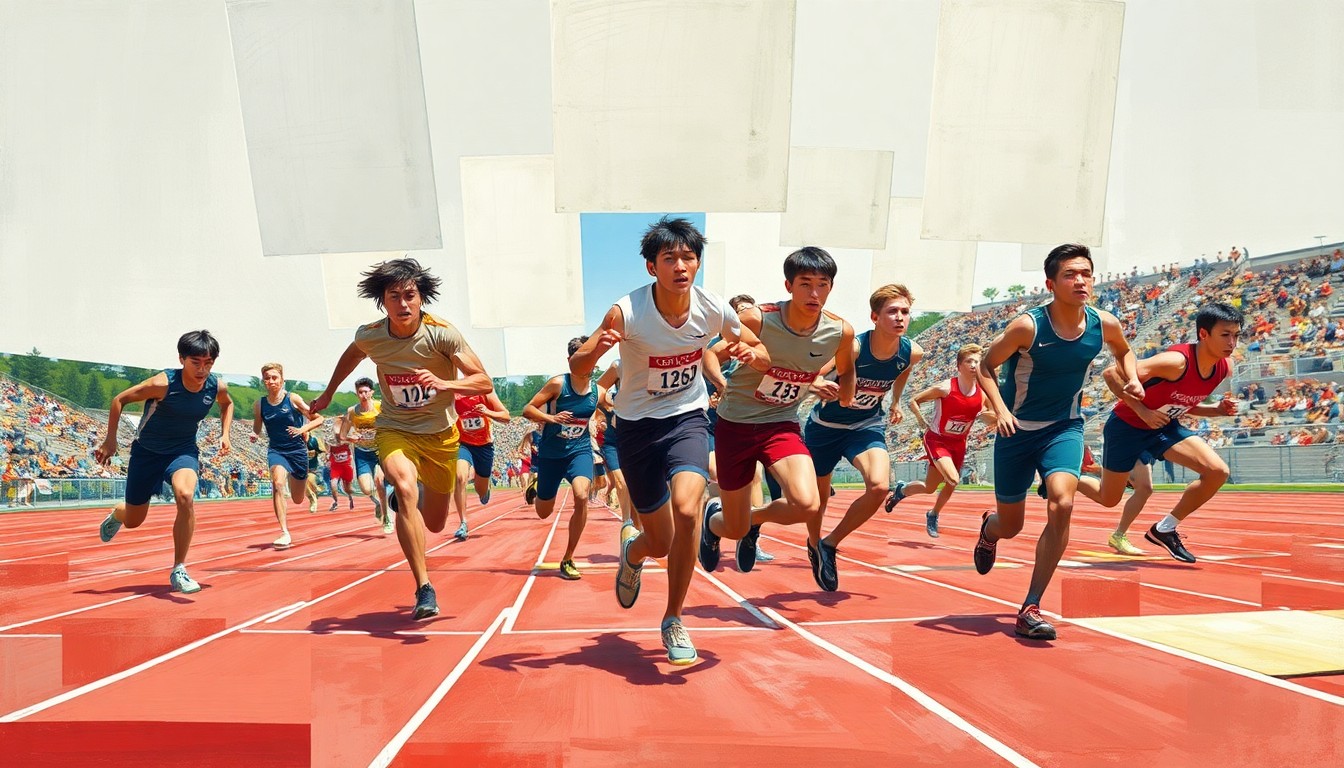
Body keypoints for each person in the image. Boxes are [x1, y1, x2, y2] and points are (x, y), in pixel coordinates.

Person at [568, 216, 768, 665]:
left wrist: (749, 352)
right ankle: (634, 551)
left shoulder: (714, 308)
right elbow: (581, 368)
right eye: (669, 258)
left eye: (689, 257)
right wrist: (599, 347)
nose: (680, 265)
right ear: (651, 267)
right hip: (636, 426)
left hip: (687, 418)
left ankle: (674, 618)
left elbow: (760, 349)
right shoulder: (627, 311)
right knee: (658, 541)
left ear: (698, 264)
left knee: (687, 508)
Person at [974, 244, 1142, 641]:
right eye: (1070, 274)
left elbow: (1125, 351)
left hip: (1064, 427)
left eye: (1086, 273)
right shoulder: (1027, 327)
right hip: (1016, 433)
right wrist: (999, 409)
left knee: (1062, 501)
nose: (1080, 280)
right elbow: (984, 364)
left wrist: (1130, 375)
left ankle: (1031, 605)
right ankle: (989, 530)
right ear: (1051, 283)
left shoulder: (1105, 324)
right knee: (1011, 525)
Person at [310, 257, 492, 620]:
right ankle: (424, 587)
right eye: (394, 296)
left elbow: (483, 381)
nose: (403, 304)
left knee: (437, 522)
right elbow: (352, 355)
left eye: (410, 295)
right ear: (383, 301)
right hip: (395, 428)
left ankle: (415, 496)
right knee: (405, 490)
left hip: (440, 435)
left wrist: (446, 383)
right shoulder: (371, 335)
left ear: (421, 297)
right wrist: (329, 393)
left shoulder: (443, 333)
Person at [704, 247, 855, 588]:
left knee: (806, 503)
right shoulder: (759, 318)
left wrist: (843, 392)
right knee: (733, 527)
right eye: (805, 284)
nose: (814, 293)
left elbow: (846, 370)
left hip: (781, 424)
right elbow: (710, 354)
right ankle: (713, 521)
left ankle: (754, 521)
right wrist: (722, 382)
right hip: (735, 426)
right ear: (789, 286)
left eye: (822, 284)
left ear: (830, 287)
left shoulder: (840, 331)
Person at [1073, 302, 1242, 562]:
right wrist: (1142, 411)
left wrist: (1216, 409)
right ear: (1203, 334)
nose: (1232, 342)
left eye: (1236, 335)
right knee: (1108, 498)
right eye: (1225, 335)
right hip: (1126, 427)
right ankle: (1067, 480)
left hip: (1163, 426)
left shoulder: (1223, 367)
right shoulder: (1175, 362)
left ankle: (1165, 528)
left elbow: (1183, 402)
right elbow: (1110, 374)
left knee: (1218, 471)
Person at [94, 330, 234, 594]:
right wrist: (109, 441)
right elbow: (119, 400)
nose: (202, 369)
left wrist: (225, 434)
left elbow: (227, 404)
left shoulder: (216, 386)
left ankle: (179, 568)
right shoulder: (163, 383)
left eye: (209, 363)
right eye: (196, 362)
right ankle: (119, 512)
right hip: (146, 453)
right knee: (135, 520)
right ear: (181, 358)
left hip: (182, 452)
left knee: (185, 496)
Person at [806, 284, 923, 590]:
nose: (900, 317)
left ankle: (829, 545)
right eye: (892, 311)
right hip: (826, 429)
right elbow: (815, 373)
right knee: (815, 504)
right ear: (875, 316)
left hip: (865, 426)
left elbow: (904, 371)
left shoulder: (912, 351)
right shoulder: (855, 348)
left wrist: (896, 401)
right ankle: (811, 542)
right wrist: (818, 385)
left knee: (879, 486)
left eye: (905, 311)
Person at [886, 343, 995, 538]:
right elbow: (914, 400)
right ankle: (932, 513)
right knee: (953, 479)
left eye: (977, 362)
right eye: (969, 361)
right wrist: (921, 420)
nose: (973, 366)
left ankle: (904, 493)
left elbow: (991, 416)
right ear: (959, 365)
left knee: (929, 488)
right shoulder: (945, 388)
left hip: (959, 444)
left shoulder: (982, 394)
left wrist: (990, 417)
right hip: (937, 440)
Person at [522, 337, 606, 580]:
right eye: (581, 357)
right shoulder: (558, 384)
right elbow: (529, 409)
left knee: (582, 495)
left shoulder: (597, 391)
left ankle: (568, 557)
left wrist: (602, 418)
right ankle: (538, 487)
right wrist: (552, 419)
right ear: (571, 360)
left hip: (578, 451)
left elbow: (606, 406)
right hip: (551, 455)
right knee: (543, 512)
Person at [252, 363, 324, 548]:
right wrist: (254, 434)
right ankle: (284, 532)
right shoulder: (260, 404)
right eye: (267, 378)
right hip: (277, 450)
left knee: (297, 499)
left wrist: (302, 429)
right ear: (264, 381)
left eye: (274, 377)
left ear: (282, 380)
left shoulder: (293, 399)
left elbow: (319, 418)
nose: (271, 381)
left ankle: (308, 493)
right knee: (277, 484)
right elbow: (258, 428)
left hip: (298, 452)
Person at [452, 389, 510, 540]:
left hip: (484, 446)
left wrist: (487, 412)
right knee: (460, 477)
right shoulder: (454, 393)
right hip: (463, 443)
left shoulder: (486, 393)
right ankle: (463, 522)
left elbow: (506, 416)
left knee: (481, 490)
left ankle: (485, 486)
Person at [340, 377, 392, 535]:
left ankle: (387, 518)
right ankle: (377, 503)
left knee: (380, 482)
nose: (363, 395)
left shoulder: (380, 407)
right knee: (367, 489)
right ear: (357, 393)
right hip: (362, 452)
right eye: (360, 392)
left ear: (371, 393)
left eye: (366, 392)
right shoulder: (352, 412)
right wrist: (351, 438)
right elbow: (342, 435)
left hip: (380, 450)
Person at [327, 417, 356, 511]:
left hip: (346, 467)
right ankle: (336, 502)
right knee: (333, 484)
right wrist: (327, 457)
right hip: (336, 467)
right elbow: (327, 449)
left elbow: (352, 441)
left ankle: (350, 497)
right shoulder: (331, 442)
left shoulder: (346, 442)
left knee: (347, 488)